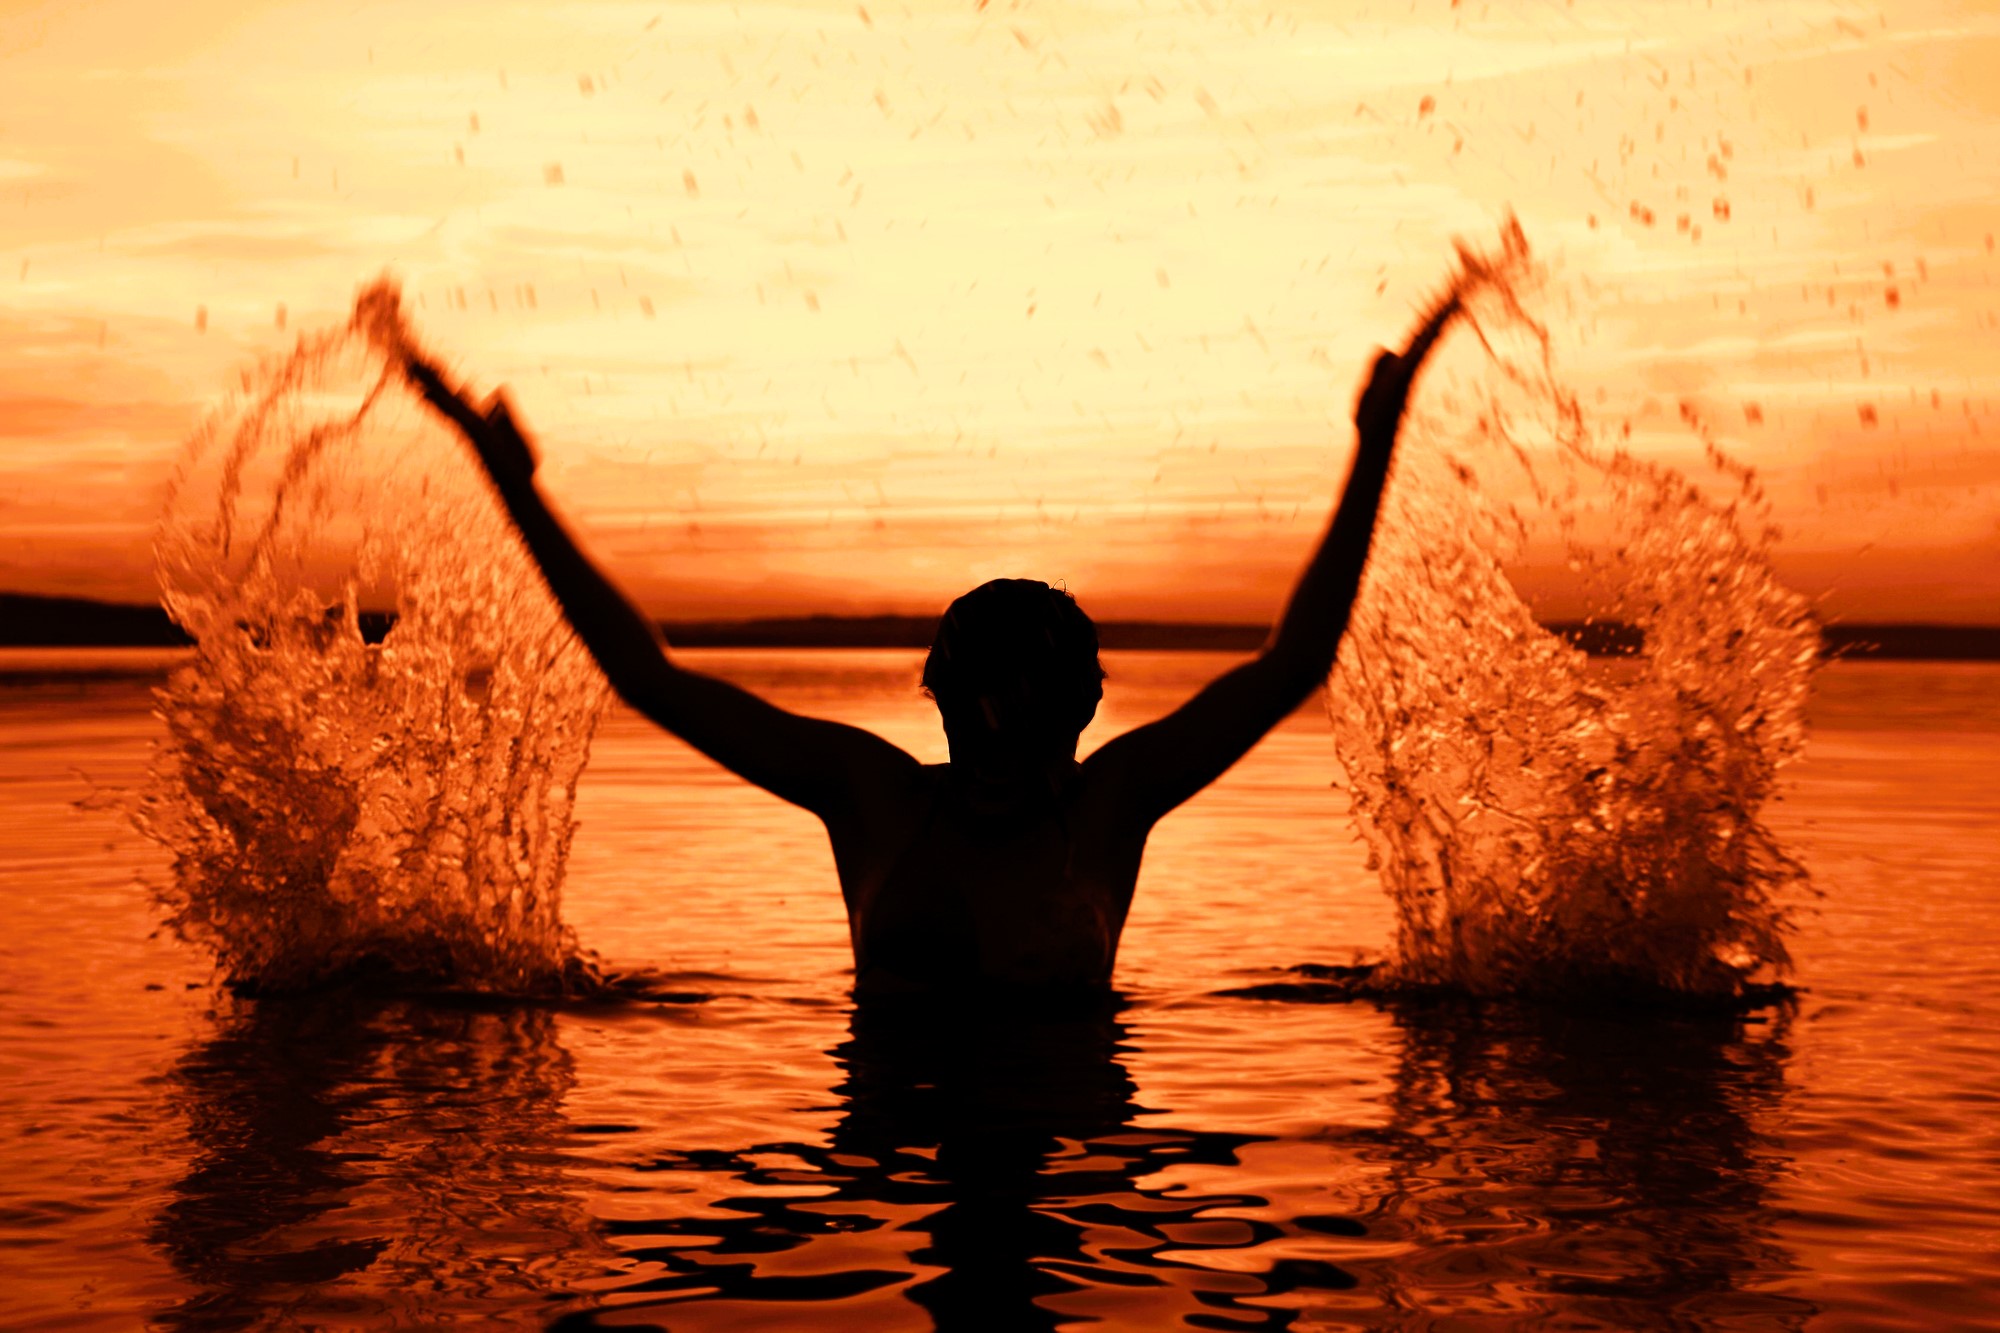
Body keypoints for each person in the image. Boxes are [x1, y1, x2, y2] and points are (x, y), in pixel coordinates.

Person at [405, 294, 1459, 998]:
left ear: (1078, 712)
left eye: (1026, 717)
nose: (995, 744)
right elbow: (648, 677)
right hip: (887, 1188)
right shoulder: (876, 798)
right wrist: (515, 483)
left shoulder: (1112, 803)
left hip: (1072, 1199)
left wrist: (1375, 442)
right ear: (942, 705)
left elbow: (1293, 663)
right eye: (972, 716)